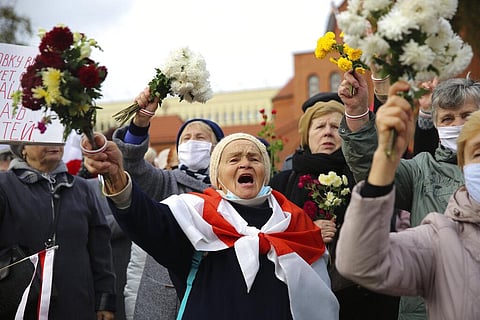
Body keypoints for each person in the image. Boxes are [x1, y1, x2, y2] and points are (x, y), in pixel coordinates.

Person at [82, 131, 339, 319]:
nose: (245, 163)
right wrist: (116, 177)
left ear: (266, 171)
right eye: (234, 159)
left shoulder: (296, 223)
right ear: (216, 176)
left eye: (254, 158)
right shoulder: (193, 215)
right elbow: (146, 220)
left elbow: (319, 294)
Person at [338, 73, 480, 319]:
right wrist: (358, 112)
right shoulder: (421, 170)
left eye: (467, 115)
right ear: (435, 125)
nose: (459, 124)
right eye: (448, 118)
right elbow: (373, 164)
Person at [270, 95, 399, 319]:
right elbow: (267, 239)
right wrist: (307, 233)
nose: (328, 132)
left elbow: (383, 226)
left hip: (364, 298)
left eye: (336, 126)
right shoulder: (282, 183)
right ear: (305, 135)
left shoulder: (363, 176)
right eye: (319, 126)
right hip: (299, 298)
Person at [112, 87, 225, 320]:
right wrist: (140, 123)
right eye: (186, 138)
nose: (192, 143)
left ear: (217, 149)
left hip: (213, 293)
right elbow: (132, 165)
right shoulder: (165, 182)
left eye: (201, 138)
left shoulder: (229, 193)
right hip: (161, 302)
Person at [0, 143, 116, 319]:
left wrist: (105, 300)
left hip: (77, 305)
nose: (53, 144)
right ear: (22, 148)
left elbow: (100, 250)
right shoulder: (4, 187)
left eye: (56, 138)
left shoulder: (82, 188)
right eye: (42, 139)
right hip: (21, 307)